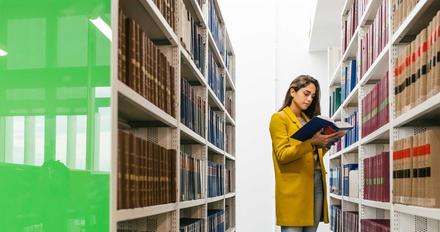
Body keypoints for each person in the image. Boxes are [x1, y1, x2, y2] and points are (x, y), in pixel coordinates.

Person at [269, 75, 344, 232]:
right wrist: (312, 143)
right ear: (293, 92)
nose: (310, 99)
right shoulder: (279, 118)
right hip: (294, 188)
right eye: (306, 93)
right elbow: (282, 155)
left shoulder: (310, 120)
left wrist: (328, 141)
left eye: (313, 96)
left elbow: (312, 156)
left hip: (316, 183)